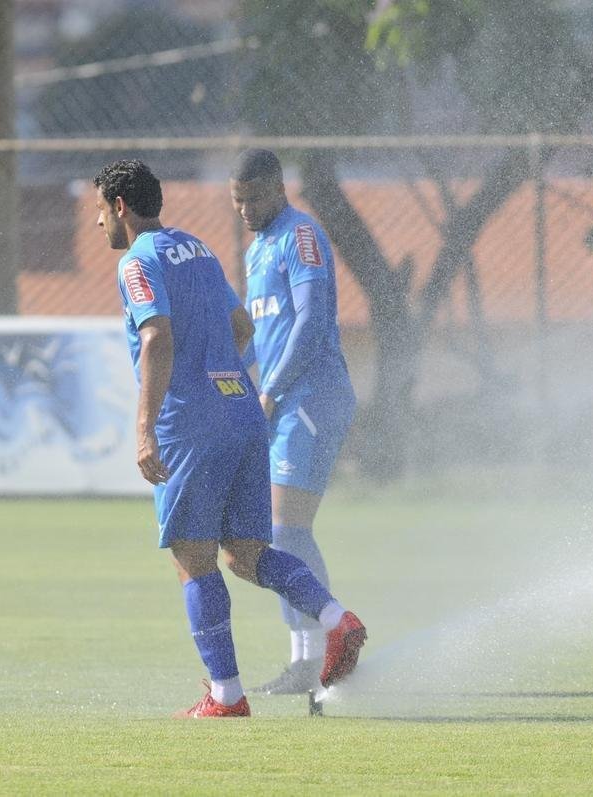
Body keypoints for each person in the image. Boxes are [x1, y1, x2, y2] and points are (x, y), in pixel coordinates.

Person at [94, 158, 366, 718]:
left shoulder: (136, 262)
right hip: (243, 412)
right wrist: (226, 378)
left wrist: (144, 427)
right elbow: (242, 328)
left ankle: (226, 695)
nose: (99, 224)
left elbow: (156, 338)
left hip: (191, 421)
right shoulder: (197, 248)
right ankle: (338, 619)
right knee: (247, 553)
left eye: (101, 211)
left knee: (193, 558)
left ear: (120, 207)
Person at [229, 149, 359, 695]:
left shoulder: (299, 235)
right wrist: (232, 383)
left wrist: (269, 390)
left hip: (312, 395)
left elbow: (310, 322)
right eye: (237, 201)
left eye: (254, 198)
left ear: (278, 188)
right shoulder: (258, 249)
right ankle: (310, 654)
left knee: (285, 528)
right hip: (283, 399)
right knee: (276, 531)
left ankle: (321, 653)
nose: (245, 210)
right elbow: (261, 337)